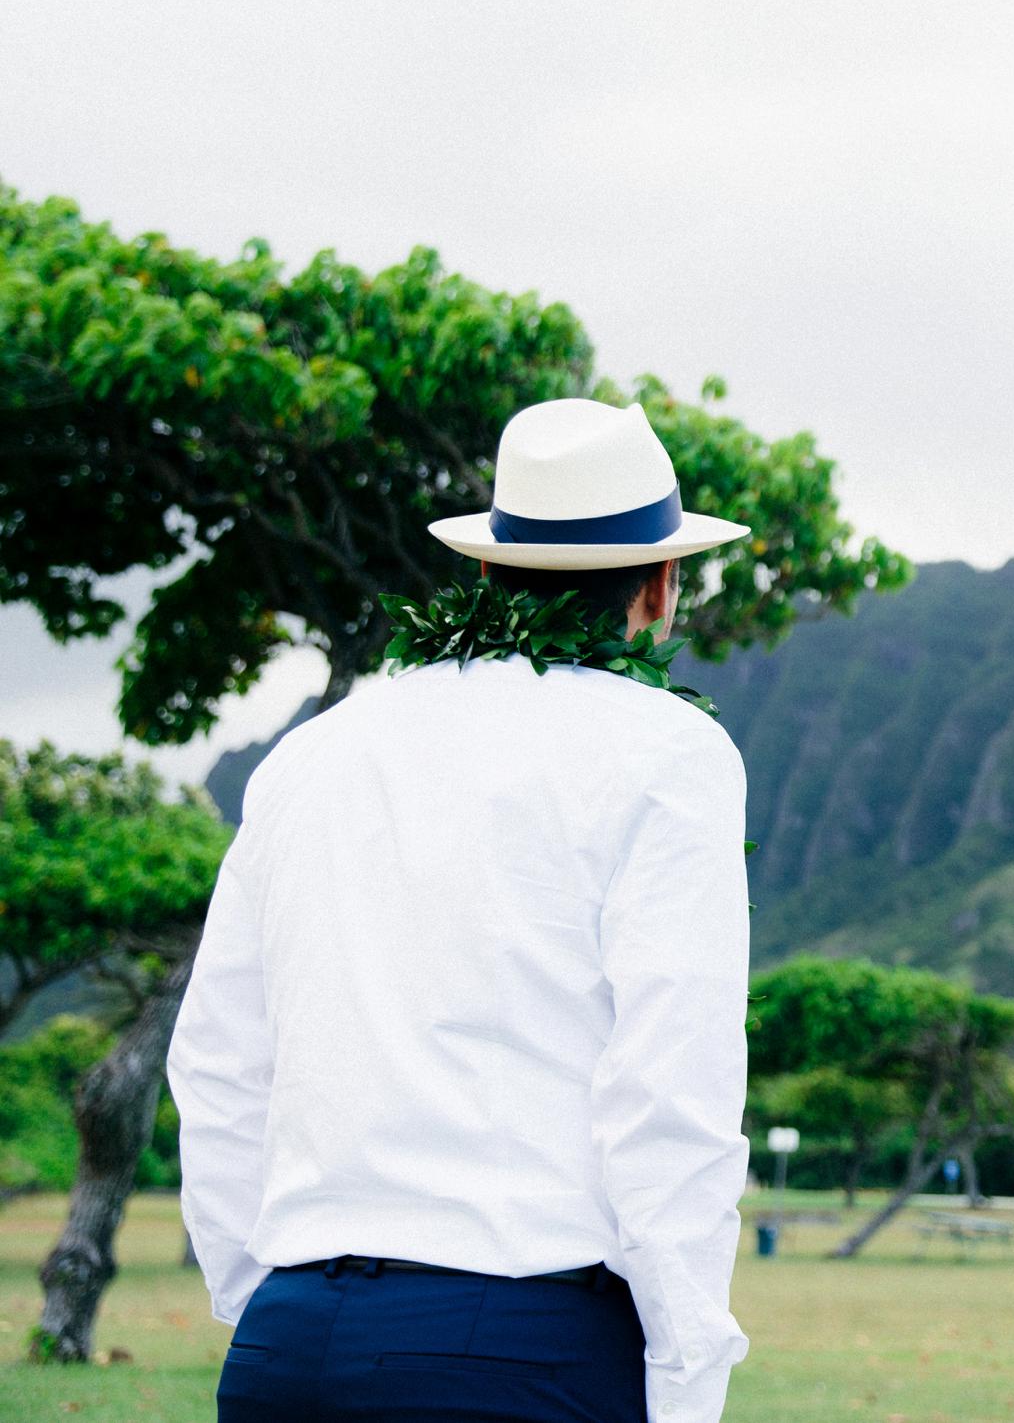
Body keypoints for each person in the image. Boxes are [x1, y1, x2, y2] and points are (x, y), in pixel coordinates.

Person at [168, 399, 758, 1423]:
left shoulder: (314, 751)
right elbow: (670, 1093)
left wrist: (263, 1295)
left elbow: (219, 1060)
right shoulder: (667, 752)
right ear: (661, 589)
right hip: (521, 1350)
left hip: (287, 1345)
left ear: (485, 572)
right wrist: (687, 1383)